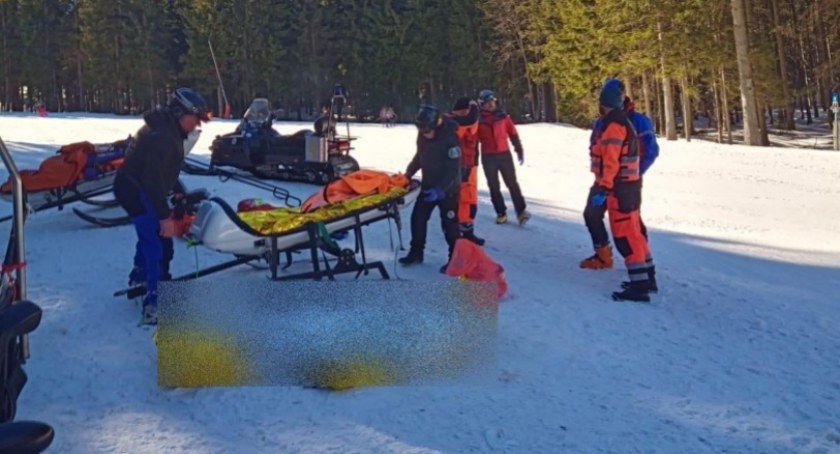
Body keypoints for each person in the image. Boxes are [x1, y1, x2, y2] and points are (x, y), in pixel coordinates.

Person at [113, 87, 211, 325]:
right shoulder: (164, 137)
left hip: (136, 186)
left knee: (151, 234)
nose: (197, 125)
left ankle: (139, 275)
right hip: (135, 190)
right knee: (158, 241)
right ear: (180, 113)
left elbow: (162, 171)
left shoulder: (167, 129)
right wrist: (166, 217)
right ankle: (155, 303)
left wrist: (177, 189)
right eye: (195, 119)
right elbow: (152, 180)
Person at [580, 79, 659, 293]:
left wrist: (620, 179)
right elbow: (599, 150)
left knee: (627, 233)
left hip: (619, 184)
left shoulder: (622, 123)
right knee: (626, 228)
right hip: (618, 182)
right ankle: (644, 275)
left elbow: (617, 157)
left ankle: (640, 283)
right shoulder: (608, 122)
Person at [399, 105, 462, 273]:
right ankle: (416, 252)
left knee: (450, 226)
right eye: (421, 130)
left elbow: (453, 169)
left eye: (427, 130)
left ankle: (455, 260)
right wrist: (409, 172)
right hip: (428, 186)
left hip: (448, 190)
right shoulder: (423, 135)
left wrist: (441, 190)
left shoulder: (450, 139)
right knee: (417, 219)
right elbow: (420, 155)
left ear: (437, 124)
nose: (424, 133)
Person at [476, 89, 530, 225]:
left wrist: (519, 149)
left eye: (492, 102)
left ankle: (521, 212)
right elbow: (474, 140)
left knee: (512, 183)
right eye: (488, 102)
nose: (491, 105)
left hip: (504, 155)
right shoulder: (478, 120)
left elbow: (512, 133)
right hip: (488, 157)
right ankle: (501, 213)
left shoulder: (503, 117)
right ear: (482, 104)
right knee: (494, 186)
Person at [446, 97, 484, 245]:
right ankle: (457, 234)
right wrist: (474, 108)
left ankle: (468, 232)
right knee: (458, 200)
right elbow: (468, 121)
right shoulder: (451, 122)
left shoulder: (468, 121)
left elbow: (472, 123)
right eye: (464, 110)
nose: (467, 113)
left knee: (470, 201)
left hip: (471, 165)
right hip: (456, 166)